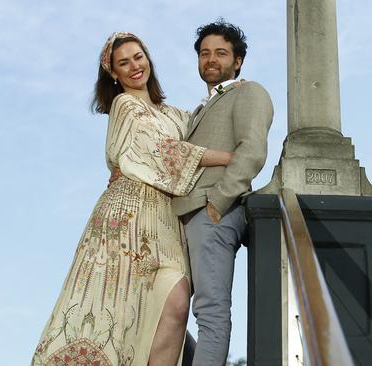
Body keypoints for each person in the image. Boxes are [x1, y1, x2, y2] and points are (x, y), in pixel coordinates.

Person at [32, 32, 233, 366]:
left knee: (176, 302)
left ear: (148, 59)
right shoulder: (124, 105)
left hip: (166, 223)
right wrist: (226, 158)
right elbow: (162, 151)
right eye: (123, 62)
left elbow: (202, 120)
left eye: (138, 57)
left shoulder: (172, 113)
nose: (134, 66)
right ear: (114, 73)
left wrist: (228, 90)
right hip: (126, 221)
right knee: (121, 313)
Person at [172, 20, 274, 365]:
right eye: (204, 53)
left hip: (211, 212)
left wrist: (217, 203)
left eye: (221, 53)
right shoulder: (199, 109)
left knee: (210, 312)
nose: (211, 59)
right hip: (180, 218)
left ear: (238, 60)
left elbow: (252, 150)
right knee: (165, 310)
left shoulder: (249, 92)